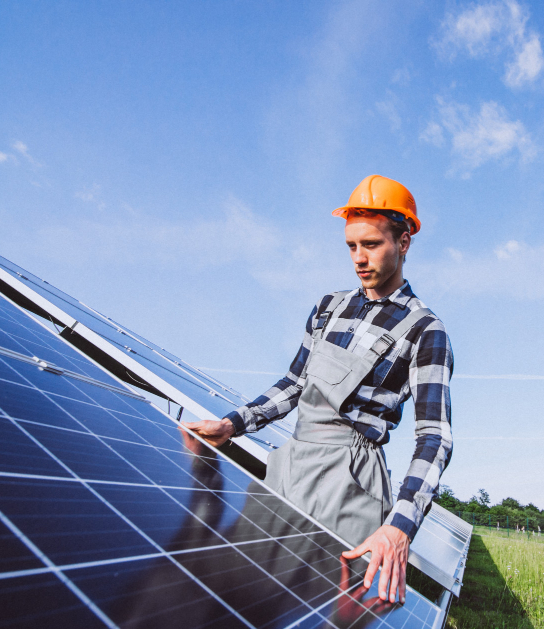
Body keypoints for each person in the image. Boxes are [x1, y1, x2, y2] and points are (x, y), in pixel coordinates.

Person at [184, 174, 453, 605]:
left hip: (351, 480)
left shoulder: (425, 329)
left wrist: (400, 527)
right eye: (352, 246)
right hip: (293, 462)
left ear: (404, 242)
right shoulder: (329, 306)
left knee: (316, 609)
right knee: (235, 593)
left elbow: (434, 437)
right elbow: (295, 383)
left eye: (372, 245)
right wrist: (232, 424)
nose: (359, 258)